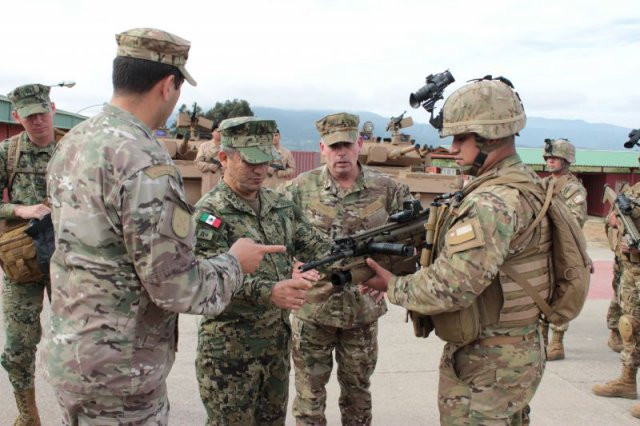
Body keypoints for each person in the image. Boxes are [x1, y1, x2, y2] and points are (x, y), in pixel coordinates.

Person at [44, 28, 282, 425]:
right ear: (168, 85)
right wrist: (235, 263)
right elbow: (175, 288)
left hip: (73, 354)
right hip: (121, 374)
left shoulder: (75, 141)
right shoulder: (143, 162)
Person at [361, 77, 550, 424]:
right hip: (518, 349)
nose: (452, 147)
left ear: (489, 136)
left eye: (461, 137)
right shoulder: (528, 185)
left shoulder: (490, 201)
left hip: (488, 361)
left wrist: (392, 285)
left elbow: (452, 286)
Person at [193, 116, 331, 425]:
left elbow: (314, 244)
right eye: (249, 161)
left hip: (275, 348)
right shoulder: (209, 213)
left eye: (264, 162)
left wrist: (360, 253)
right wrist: (269, 291)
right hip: (229, 353)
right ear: (224, 158)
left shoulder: (277, 204)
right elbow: (205, 281)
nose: (259, 170)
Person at [281, 112, 412, 425]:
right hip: (312, 310)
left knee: (358, 395)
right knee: (309, 397)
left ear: (359, 145)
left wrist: (392, 277)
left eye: (347, 145)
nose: (341, 152)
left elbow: (414, 235)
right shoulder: (298, 189)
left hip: (362, 312)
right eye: (333, 145)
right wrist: (291, 266)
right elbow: (275, 235)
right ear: (322, 148)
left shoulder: (387, 189)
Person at [1, 83, 61, 425]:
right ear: (16, 116)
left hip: (67, 262)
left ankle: (79, 411)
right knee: (18, 349)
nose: (37, 121)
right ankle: (28, 415)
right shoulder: (7, 152)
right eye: (29, 116)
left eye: (42, 113)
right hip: (22, 263)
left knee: (78, 342)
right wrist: (19, 210)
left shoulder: (72, 151)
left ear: (52, 107)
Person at [592, 157, 640, 418]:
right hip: (632, 270)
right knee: (630, 326)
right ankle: (627, 380)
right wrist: (616, 225)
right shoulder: (634, 190)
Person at [541, 138, 588, 360]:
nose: (550, 161)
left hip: (563, 247)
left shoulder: (573, 188)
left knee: (562, 290)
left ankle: (557, 342)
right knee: (540, 290)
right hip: (542, 245)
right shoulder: (543, 184)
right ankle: (540, 339)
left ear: (566, 160)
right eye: (548, 157)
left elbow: (575, 221)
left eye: (554, 158)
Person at [194, 123, 223, 194]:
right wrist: (210, 166)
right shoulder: (204, 146)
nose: (219, 132)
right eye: (216, 130)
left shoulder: (227, 147)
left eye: (221, 130)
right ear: (212, 132)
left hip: (224, 181)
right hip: (209, 181)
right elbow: (198, 163)